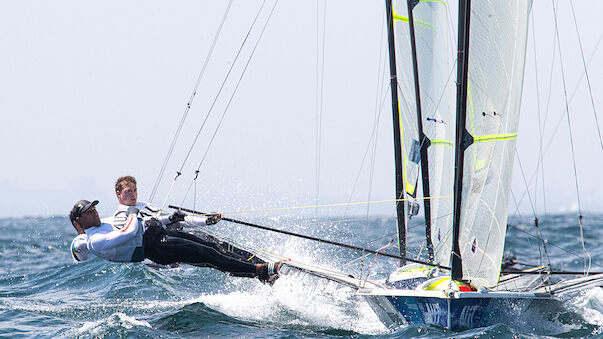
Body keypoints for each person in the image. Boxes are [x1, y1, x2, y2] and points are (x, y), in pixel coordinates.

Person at [69, 199, 281, 283]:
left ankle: (259, 267)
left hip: (159, 233)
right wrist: (131, 212)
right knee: (209, 256)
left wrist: (169, 219)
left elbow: (143, 221)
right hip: (156, 249)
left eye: (95, 208)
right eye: (90, 211)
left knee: (213, 246)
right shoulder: (95, 241)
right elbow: (128, 232)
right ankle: (260, 271)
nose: (95, 212)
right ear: (80, 221)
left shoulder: (103, 222)